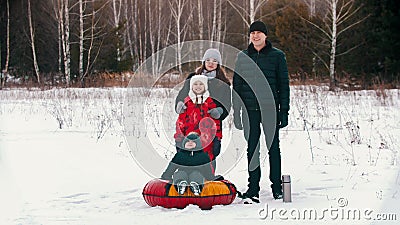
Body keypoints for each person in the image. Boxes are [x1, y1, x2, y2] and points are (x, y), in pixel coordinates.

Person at [232, 21, 290, 203]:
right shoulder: (242, 57)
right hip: (250, 111)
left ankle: (277, 188)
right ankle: (253, 188)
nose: (255, 36)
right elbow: (238, 86)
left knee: (273, 149)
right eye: (252, 33)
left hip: (270, 110)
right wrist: (237, 112)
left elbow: (283, 86)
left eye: (259, 33)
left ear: (265, 36)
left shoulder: (277, 56)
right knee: (252, 149)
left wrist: (284, 111)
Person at [175, 48, 231, 168]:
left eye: (214, 60)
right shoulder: (193, 77)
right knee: (187, 150)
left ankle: (208, 179)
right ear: (204, 61)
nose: (211, 63)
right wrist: (179, 104)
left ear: (218, 64)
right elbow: (182, 94)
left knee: (210, 153)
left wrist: (220, 111)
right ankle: (187, 178)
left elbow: (227, 104)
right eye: (208, 60)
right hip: (191, 122)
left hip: (211, 125)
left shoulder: (223, 83)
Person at [174, 75, 222, 173]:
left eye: (201, 84)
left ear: (205, 86)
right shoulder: (186, 102)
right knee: (187, 161)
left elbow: (215, 124)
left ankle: (208, 180)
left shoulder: (210, 102)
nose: (198, 86)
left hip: (207, 141)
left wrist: (217, 138)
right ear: (191, 86)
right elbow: (180, 122)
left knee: (208, 161)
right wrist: (179, 138)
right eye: (195, 84)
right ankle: (188, 180)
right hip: (189, 139)